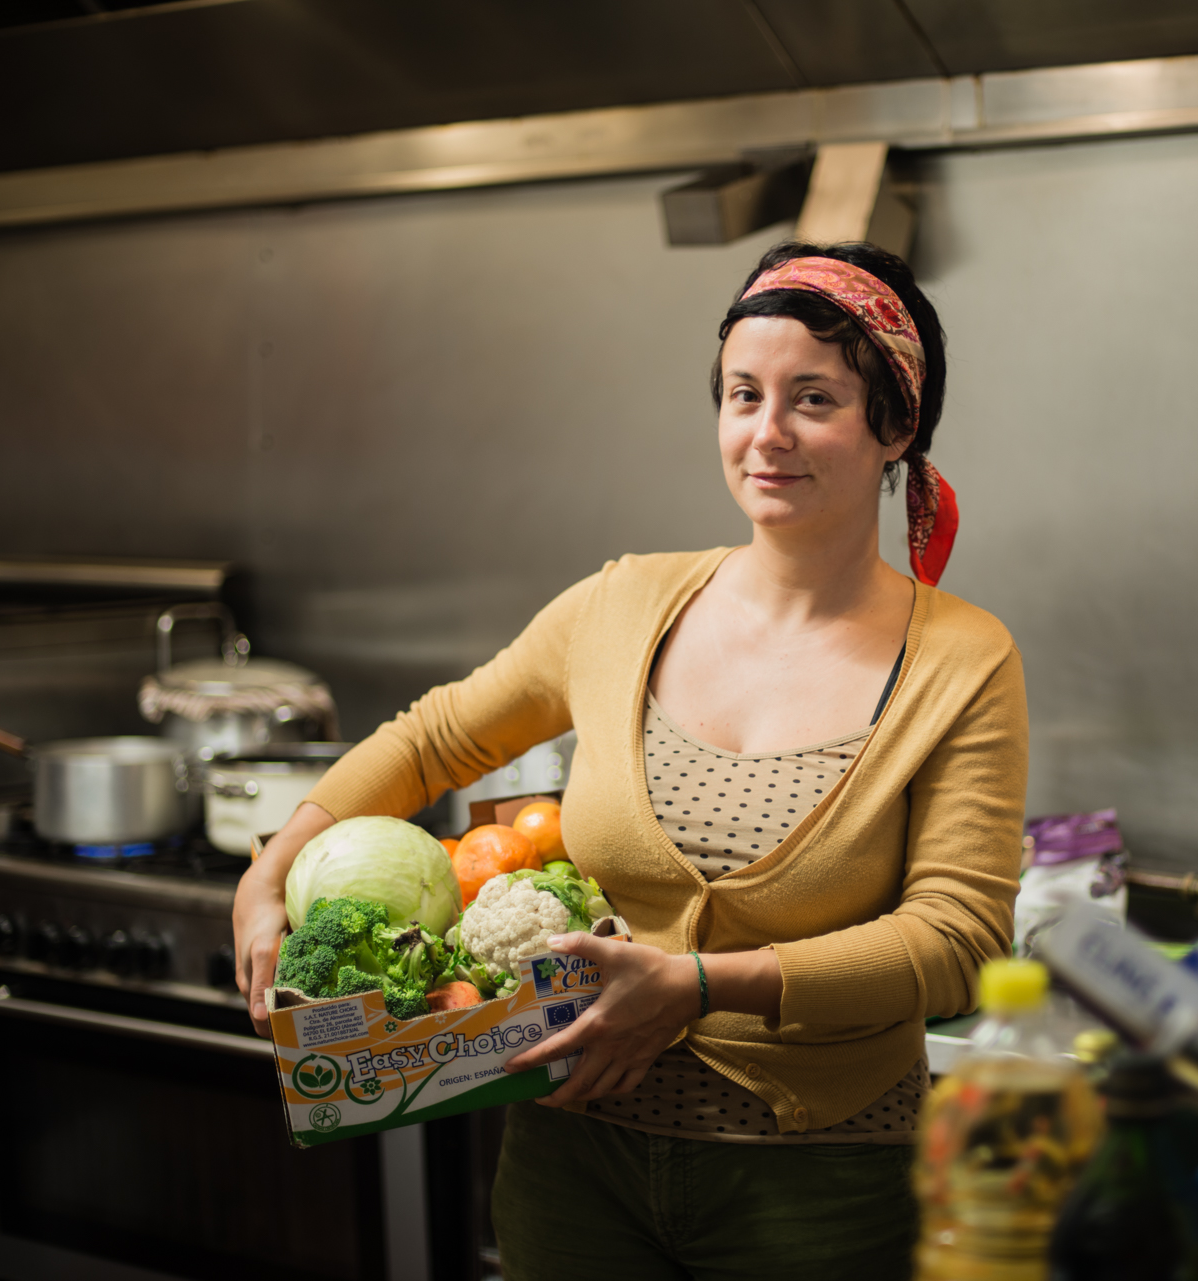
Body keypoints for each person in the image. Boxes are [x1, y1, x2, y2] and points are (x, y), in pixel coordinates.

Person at [231, 240, 1028, 1280]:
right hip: (573, 1160)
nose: (766, 433)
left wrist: (696, 986)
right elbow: (439, 736)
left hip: (822, 1185)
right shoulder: (623, 604)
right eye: (743, 394)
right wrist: (276, 858)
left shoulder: (961, 659)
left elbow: (959, 942)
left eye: (815, 399)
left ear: (896, 426)